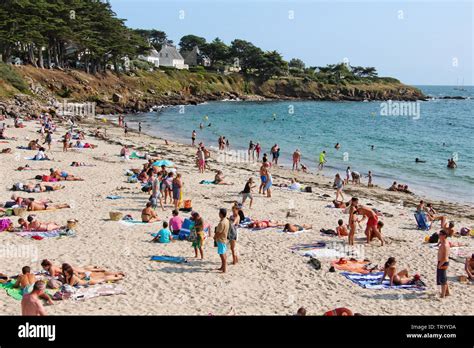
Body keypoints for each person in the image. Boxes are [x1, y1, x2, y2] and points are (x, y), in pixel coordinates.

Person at [214, 208, 230, 273]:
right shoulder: (226, 220)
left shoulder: (222, 223)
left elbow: (218, 232)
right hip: (224, 239)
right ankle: (222, 267)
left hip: (221, 239)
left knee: (222, 255)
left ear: (221, 214)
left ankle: (224, 269)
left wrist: (215, 237)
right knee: (223, 253)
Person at [437, 230, 450, 298]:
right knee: (444, 277)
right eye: (439, 234)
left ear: (444, 236)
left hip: (443, 262)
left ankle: (443, 295)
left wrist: (440, 265)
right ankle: (447, 292)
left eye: (440, 234)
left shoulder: (445, 245)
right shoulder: (444, 242)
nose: (439, 235)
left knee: (443, 280)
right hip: (442, 262)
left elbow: (444, 258)